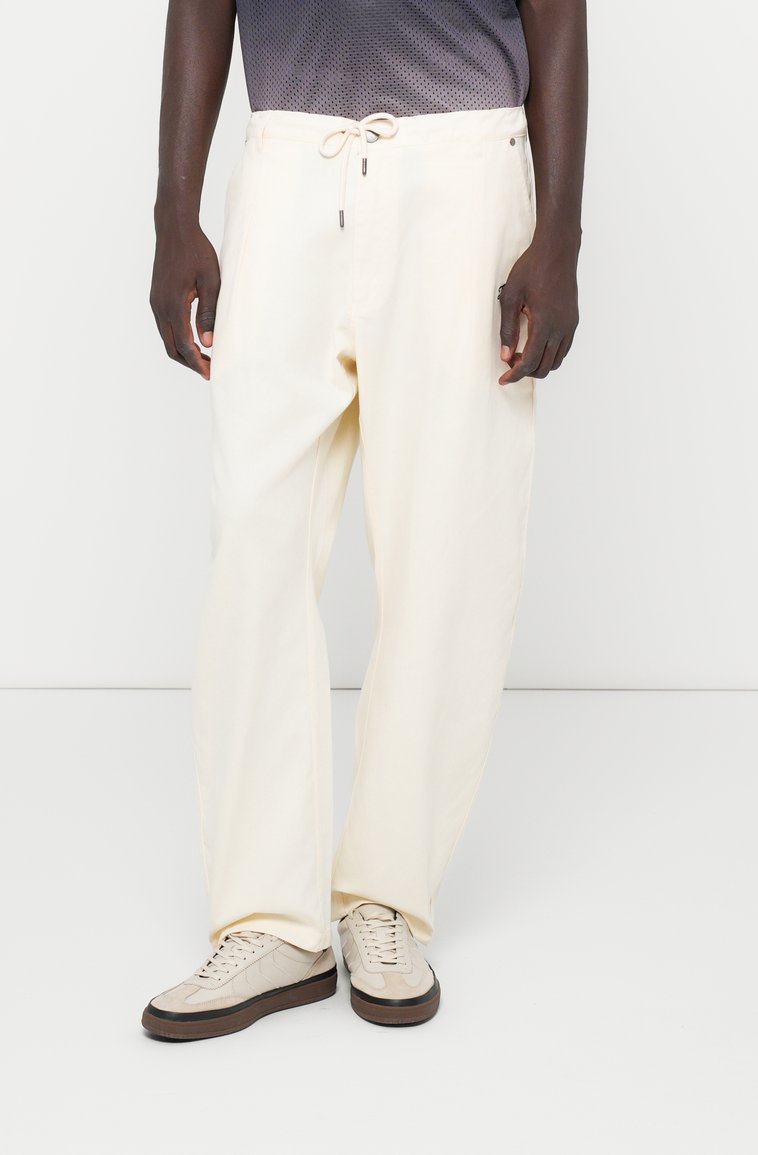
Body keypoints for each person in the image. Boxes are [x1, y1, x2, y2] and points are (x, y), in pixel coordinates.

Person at [143, 0, 587, 1040]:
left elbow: (557, 10)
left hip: (464, 168)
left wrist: (560, 234)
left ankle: (387, 895)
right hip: (286, 164)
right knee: (254, 542)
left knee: (447, 546)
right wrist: (173, 212)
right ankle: (268, 920)